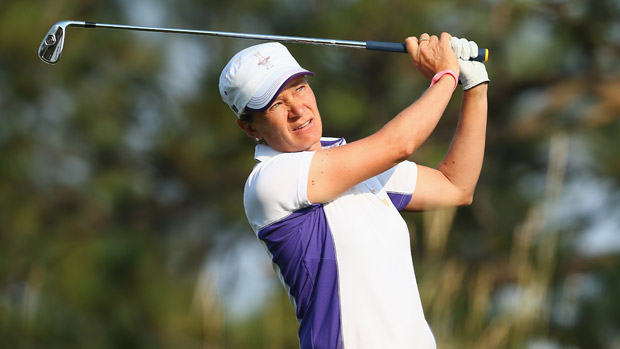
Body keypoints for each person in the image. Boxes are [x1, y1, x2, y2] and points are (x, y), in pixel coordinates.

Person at [219, 32, 489, 349]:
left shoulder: (354, 164)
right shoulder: (269, 181)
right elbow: (400, 144)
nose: (297, 108)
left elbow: (456, 187)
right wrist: (445, 76)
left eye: (300, 89)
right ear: (250, 127)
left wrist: (474, 87)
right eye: (276, 104)